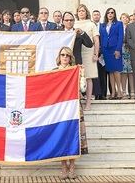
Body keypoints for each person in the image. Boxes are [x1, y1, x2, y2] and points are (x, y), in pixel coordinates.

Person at [55, 46, 88, 180]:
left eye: (67, 55)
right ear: (59, 57)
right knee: (61, 136)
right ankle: (63, 167)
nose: (64, 57)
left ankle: (72, 167)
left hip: (74, 108)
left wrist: (82, 75)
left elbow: (83, 89)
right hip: (59, 110)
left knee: (74, 137)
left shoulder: (75, 71)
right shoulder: (54, 72)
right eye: (62, 55)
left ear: (70, 58)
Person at [74, 4, 100, 110]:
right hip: (77, 53)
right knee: (77, 78)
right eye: (79, 11)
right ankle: (78, 100)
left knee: (88, 77)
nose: (81, 13)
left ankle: (88, 102)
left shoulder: (91, 24)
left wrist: (96, 54)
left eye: (83, 11)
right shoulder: (74, 23)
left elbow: (96, 40)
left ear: (86, 12)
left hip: (89, 53)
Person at [99, 8, 124, 99]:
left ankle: (120, 91)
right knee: (110, 71)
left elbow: (121, 37)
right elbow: (101, 38)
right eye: (108, 13)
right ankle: (113, 92)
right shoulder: (102, 25)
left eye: (112, 13)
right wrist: (101, 51)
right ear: (106, 14)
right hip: (106, 50)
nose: (110, 14)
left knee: (116, 70)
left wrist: (118, 49)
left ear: (114, 14)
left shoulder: (119, 24)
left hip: (115, 49)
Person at [119, 13, 134, 99]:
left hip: (131, 50)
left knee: (131, 72)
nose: (125, 19)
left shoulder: (131, 27)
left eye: (126, 18)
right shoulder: (119, 28)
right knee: (124, 72)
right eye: (123, 17)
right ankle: (123, 91)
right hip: (121, 50)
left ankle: (132, 91)